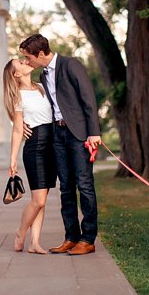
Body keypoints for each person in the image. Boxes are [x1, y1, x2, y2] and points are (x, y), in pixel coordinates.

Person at [19, 33, 101, 256]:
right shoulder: (44, 76)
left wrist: (93, 132)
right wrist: (24, 122)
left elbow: (88, 99)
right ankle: (71, 237)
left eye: (29, 57)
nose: (27, 62)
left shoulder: (71, 65)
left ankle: (88, 238)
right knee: (65, 187)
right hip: (58, 135)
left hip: (79, 135)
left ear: (41, 53)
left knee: (84, 184)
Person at [2, 58, 56, 254]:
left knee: (42, 198)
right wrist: (13, 159)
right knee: (38, 200)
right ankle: (20, 233)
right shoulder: (18, 97)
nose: (26, 62)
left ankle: (34, 243)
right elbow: (17, 130)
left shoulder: (43, 87)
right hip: (35, 147)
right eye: (21, 63)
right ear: (16, 74)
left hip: (53, 145)